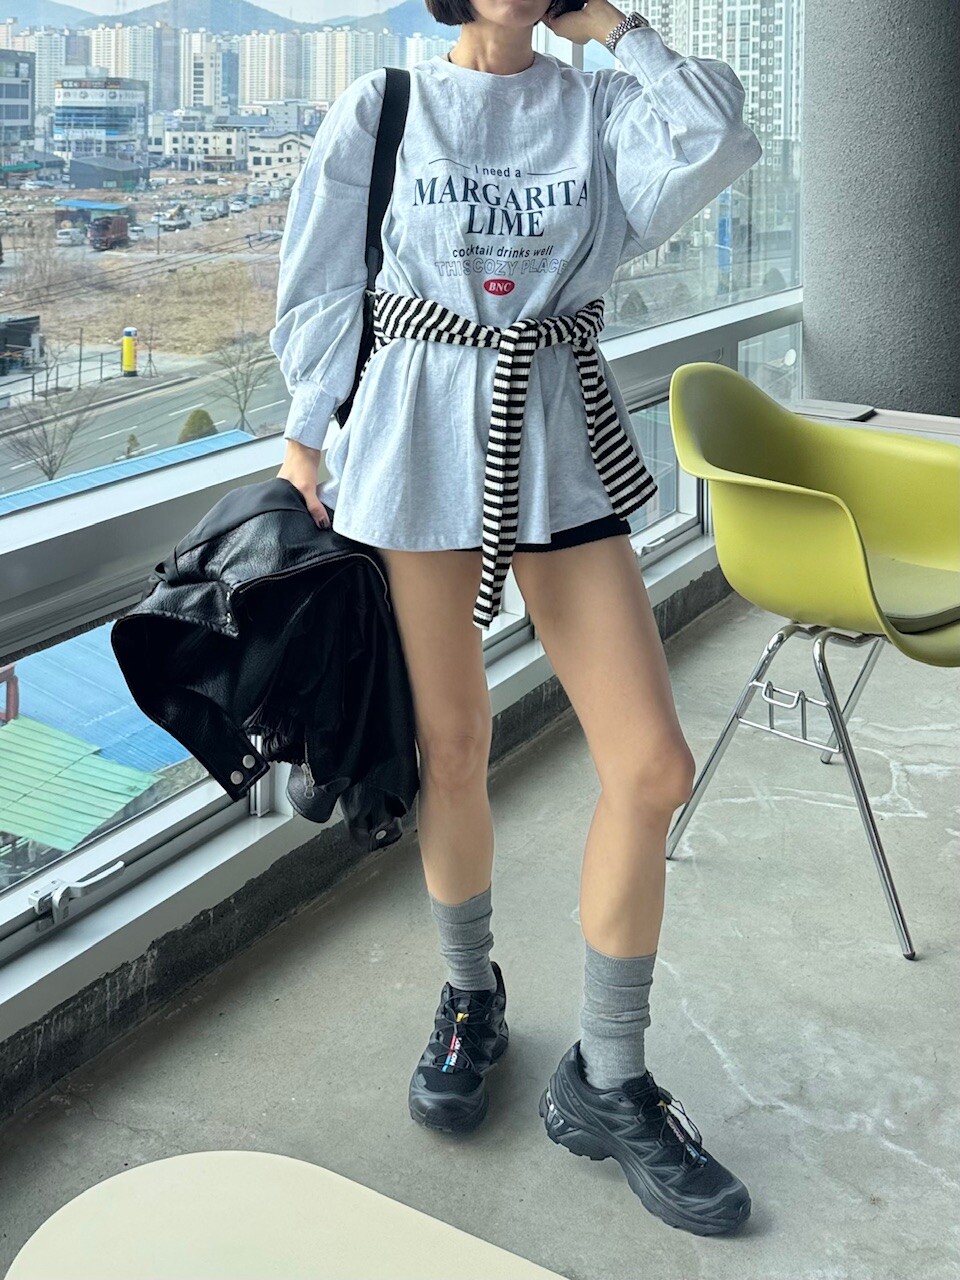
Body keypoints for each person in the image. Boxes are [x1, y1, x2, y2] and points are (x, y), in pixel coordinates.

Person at [271, 0, 762, 1239]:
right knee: (453, 748)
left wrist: (617, 29)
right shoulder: (385, 107)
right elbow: (323, 283)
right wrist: (305, 437)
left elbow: (712, 134)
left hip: (558, 440)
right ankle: (468, 994)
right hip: (414, 443)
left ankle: (609, 1075)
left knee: (651, 766)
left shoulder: (597, 104)